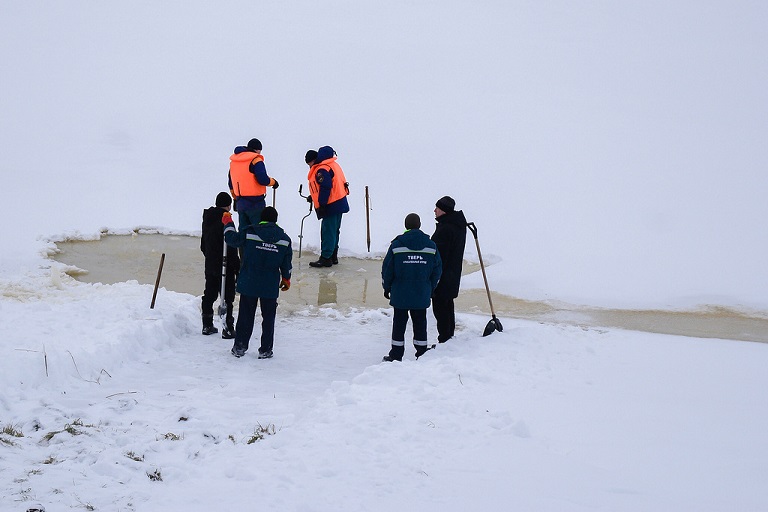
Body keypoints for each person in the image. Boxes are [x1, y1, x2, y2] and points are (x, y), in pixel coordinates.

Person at [223, 206, 292, 359]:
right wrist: (286, 279)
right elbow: (286, 263)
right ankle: (266, 350)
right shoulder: (285, 239)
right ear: (275, 220)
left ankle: (240, 347)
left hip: (249, 282)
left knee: (246, 316)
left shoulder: (250, 232)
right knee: (268, 318)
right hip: (270, 285)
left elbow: (231, 239)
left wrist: (228, 223)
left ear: (262, 218)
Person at [381, 213, 442, 362]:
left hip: (400, 293)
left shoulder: (396, 245)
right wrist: (430, 288)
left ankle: (396, 354)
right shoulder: (431, 246)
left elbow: (387, 269)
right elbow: (437, 270)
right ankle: (421, 352)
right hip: (421, 293)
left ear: (405, 226)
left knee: (399, 323)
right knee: (420, 322)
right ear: (419, 225)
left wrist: (386, 287)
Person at [200, 192, 240, 337]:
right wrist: (236, 266)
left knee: (209, 294)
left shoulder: (207, 218)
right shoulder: (226, 219)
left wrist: (210, 257)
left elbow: (203, 243)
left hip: (210, 262)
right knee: (227, 297)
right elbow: (231, 244)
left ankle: (207, 325)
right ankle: (228, 328)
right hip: (225, 264)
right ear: (229, 205)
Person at [431, 196, 467, 343]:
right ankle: (449, 337)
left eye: (437, 208)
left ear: (444, 211)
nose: (434, 210)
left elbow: (439, 257)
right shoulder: (456, 225)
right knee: (447, 305)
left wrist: (434, 276)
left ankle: (445, 339)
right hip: (452, 273)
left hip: (444, 276)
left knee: (440, 308)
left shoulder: (446, 229)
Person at [305, 145, 349, 267]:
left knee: (328, 232)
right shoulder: (333, 165)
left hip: (331, 204)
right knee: (334, 231)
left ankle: (325, 258)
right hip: (340, 201)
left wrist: (322, 203)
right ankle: (333, 256)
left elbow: (325, 187)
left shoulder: (322, 169)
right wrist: (313, 197)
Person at [228, 138, 279, 230]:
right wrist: (273, 182)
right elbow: (263, 180)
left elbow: (230, 182)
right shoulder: (256, 160)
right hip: (256, 203)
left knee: (244, 232)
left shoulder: (234, 162)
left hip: (241, 203)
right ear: (257, 149)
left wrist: (235, 197)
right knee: (257, 231)